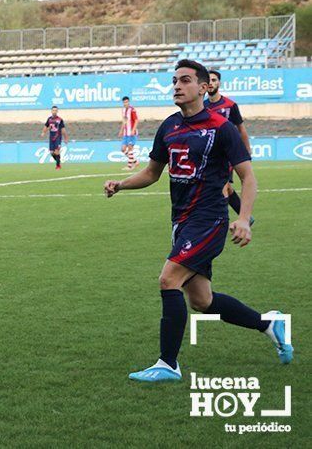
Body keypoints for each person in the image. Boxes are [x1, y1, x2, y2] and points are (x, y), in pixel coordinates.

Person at [103, 60, 292, 383]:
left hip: (209, 220)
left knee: (168, 279)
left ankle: (168, 363)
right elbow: (152, 173)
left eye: (185, 80)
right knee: (202, 301)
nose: (177, 86)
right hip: (181, 221)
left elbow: (248, 178)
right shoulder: (169, 127)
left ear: (204, 87)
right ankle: (269, 324)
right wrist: (121, 185)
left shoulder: (222, 127)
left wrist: (243, 219)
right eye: (174, 80)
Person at [204, 70, 253, 221]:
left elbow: (241, 129)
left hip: (227, 153)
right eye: (209, 81)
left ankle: (220, 222)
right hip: (210, 154)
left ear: (219, 83)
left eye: (214, 80)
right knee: (226, 187)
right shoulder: (202, 106)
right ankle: (245, 216)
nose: (211, 83)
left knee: (223, 186)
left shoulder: (230, 105)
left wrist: (247, 151)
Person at [40, 106, 68, 170]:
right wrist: (43, 132)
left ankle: (58, 166)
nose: (54, 111)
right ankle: (58, 161)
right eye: (53, 110)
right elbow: (46, 126)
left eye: (56, 110)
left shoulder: (60, 120)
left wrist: (65, 138)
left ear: (57, 111)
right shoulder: (49, 119)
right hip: (51, 137)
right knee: (52, 152)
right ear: (51, 111)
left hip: (58, 137)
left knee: (56, 151)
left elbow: (63, 130)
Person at [120, 96, 139, 170]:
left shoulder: (132, 110)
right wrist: (121, 130)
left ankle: (129, 166)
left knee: (130, 148)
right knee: (123, 149)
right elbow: (124, 121)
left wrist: (133, 130)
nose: (126, 103)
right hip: (125, 133)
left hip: (131, 132)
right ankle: (135, 161)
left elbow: (136, 120)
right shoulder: (123, 110)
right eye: (124, 102)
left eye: (127, 102)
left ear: (129, 102)